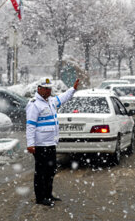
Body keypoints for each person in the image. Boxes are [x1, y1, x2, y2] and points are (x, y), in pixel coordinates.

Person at [26, 78, 80, 207]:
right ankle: (40, 197)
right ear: (39, 89)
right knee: (41, 171)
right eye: (46, 89)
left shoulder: (51, 101)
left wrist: (73, 89)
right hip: (40, 144)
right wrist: (30, 144)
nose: (49, 91)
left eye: (50, 88)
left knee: (51, 170)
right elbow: (30, 125)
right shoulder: (34, 105)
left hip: (51, 143)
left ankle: (48, 194)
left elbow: (63, 98)